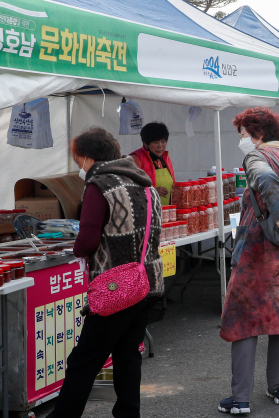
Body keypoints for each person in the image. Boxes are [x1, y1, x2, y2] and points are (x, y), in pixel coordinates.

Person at [48, 127, 163, 418]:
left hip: (116, 287)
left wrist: (76, 249)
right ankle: (128, 413)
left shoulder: (100, 186)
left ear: (87, 158)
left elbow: (87, 241)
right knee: (127, 355)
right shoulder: (146, 184)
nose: (78, 166)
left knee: (84, 360)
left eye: (77, 159)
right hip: (147, 282)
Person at [219, 107, 279, 414]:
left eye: (244, 134)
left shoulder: (256, 158)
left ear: (257, 134)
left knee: (245, 321)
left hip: (258, 253)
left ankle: (240, 399)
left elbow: (265, 180)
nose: (242, 141)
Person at [130, 122, 175, 206]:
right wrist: (153, 191)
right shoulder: (136, 159)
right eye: (156, 142)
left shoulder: (166, 159)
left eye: (163, 142)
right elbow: (130, 189)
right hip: (146, 212)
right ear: (146, 144)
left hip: (166, 212)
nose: (160, 146)